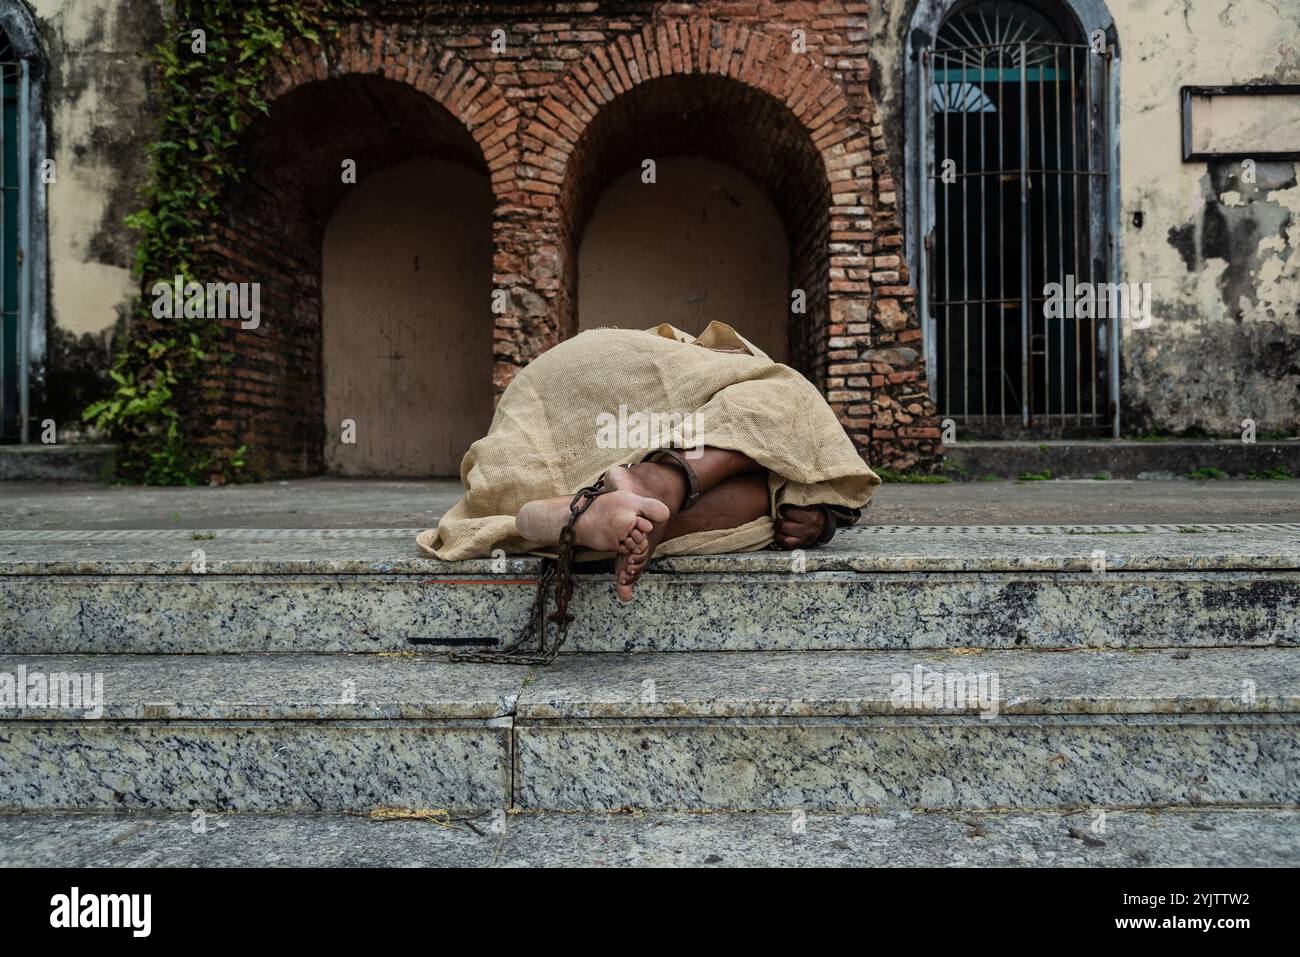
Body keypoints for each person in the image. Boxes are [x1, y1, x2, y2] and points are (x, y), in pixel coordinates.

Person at [418, 321, 880, 602]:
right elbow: (820, 465)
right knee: (786, 401)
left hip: (538, 407)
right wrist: (823, 521)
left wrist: (821, 520)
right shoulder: (734, 367)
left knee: (764, 494)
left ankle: (570, 512)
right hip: (583, 386)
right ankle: (651, 484)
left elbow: (816, 483)